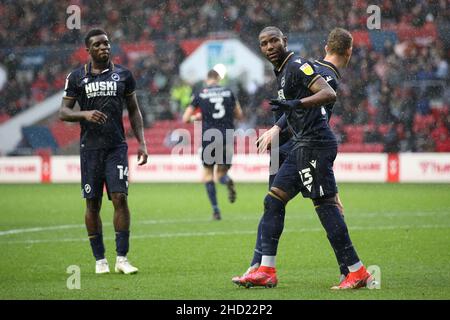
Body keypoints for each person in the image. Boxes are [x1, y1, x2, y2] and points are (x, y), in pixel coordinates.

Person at [232, 26, 372, 290]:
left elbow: (327, 94)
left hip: (312, 145)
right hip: (302, 146)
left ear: (285, 41)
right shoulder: (286, 70)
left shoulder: (299, 66)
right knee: (273, 201)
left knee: (325, 206)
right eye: (264, 43)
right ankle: (265, 270)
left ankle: (356, 271)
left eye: (274, 41)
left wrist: (292, 110)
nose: (270, 46)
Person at [59, 29, 148, 274]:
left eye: (106, 44)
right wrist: (84, 114)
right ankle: (100, 260)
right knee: (93, 203)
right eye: (97, 45)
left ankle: (122, 259)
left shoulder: (123, 75)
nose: (104, 48)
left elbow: (134, 110)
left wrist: (142, 142)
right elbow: (63, 112)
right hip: (90, 149)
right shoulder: (76, 77)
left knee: (120, 198)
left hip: (116, 146)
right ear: (88, 50)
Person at [182, 69, 244, 220]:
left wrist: (197, 117)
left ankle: (216, 211)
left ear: (207, 78)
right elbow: (239, 115)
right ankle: (227, 180)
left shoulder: (200, 93)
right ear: (218, 78)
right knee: (221, 173)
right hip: (227, 136)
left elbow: (185, 118)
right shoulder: (229, 92)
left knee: (208, 174)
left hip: (209, 136)